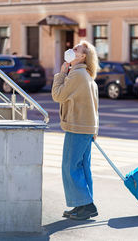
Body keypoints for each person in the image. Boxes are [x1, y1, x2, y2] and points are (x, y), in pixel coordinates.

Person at [51, 40, 99, 220]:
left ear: (82, 56)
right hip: (86, 127)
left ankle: (86, 205)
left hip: (78, 126)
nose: (71, 50)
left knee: (70, 166)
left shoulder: (77, 75)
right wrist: (95, 129)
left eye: (76, 49)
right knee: (82, 166)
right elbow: (95, 106)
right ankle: (83, 205)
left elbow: (58, 95)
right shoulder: (86, 75)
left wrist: (61, 74)